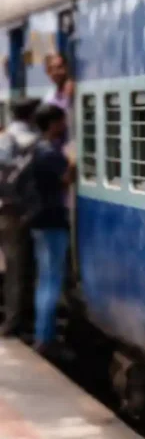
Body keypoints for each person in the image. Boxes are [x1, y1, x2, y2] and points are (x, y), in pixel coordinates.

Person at [29, 104, 73, 355]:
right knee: (51, 280)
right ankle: (45, 338)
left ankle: (41, 333)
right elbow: (67, 178)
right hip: (52, 221)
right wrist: (74, 160)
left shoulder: (37, 149)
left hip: (38, 220)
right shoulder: (49, 153)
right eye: (61, 121)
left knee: (44, 278)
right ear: (53, 124)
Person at [0, 98, 40, 340]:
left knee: (15, 266)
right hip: (16, 212)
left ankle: (16, 317)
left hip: (7, 210)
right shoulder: (29, 140)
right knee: (17, 268)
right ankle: (13, 322)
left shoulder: (6, 137)